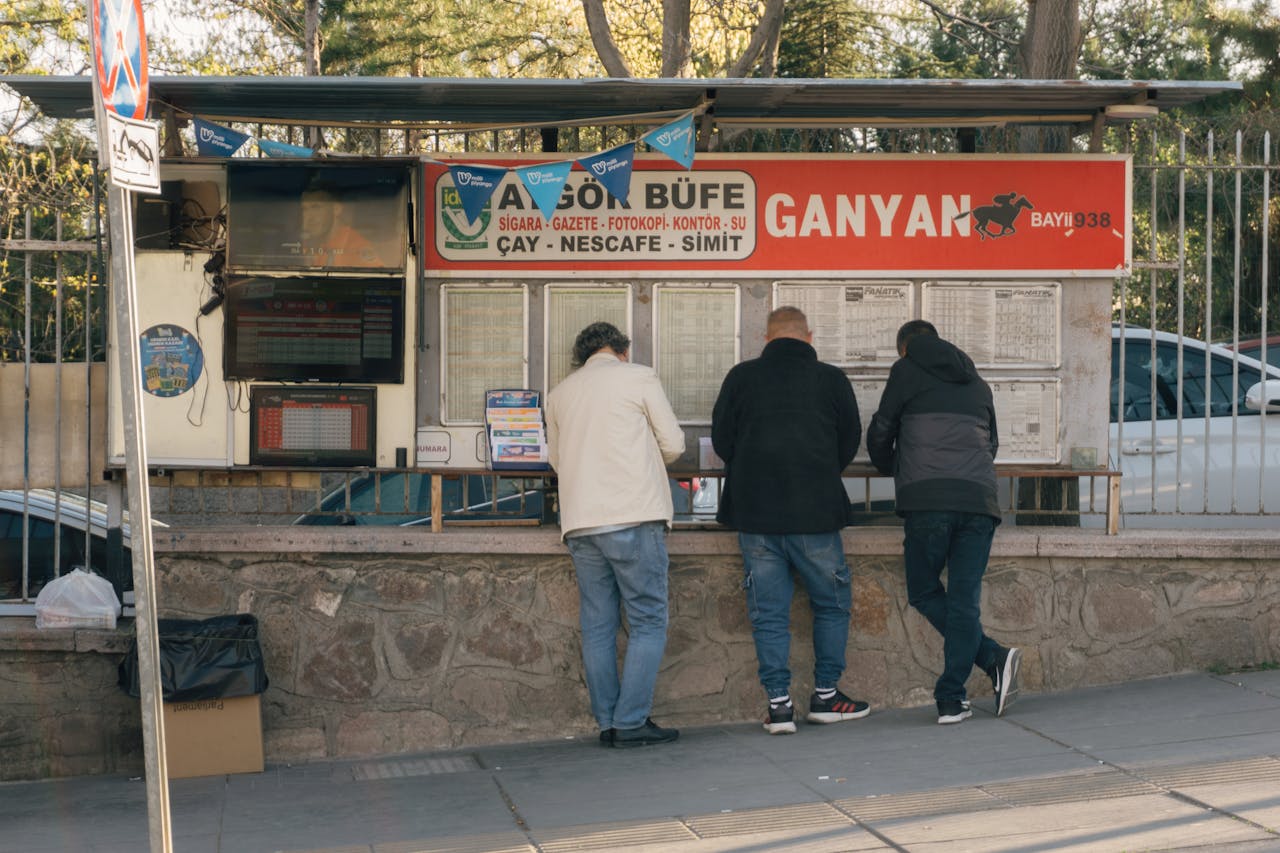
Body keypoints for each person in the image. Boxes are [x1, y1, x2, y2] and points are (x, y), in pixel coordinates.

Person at [711, 306, 871, 735]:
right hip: (815, 512)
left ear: (767, 338)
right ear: (810, 336)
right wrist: (819, 472)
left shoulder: (740, 378)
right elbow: (849, 441)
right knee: (832, 605)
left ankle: (779, 706)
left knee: (768, 613)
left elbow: (724, 440)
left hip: (755, 514)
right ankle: (825, 696)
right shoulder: (831, 379)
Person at [866, 320, 1022, 725]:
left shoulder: (905, 370)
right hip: (979, 501)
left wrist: (891, 467)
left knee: (922, 590)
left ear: (905, 348)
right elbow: (991, 444)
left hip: (928, 500)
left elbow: (883, 428)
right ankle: (962, 688)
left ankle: (984, 666)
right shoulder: (977, 381)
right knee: (964, 601)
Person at [545, 321, 686, 748]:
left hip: (581, 523)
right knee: (647, 620)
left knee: (598, 625)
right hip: (632, 513)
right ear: (621, 350)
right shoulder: (637, 376)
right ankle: (631, 721)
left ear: (582, 355)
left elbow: (555, 459)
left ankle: (607, 721)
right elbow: (674, 444)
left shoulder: (559, 393)